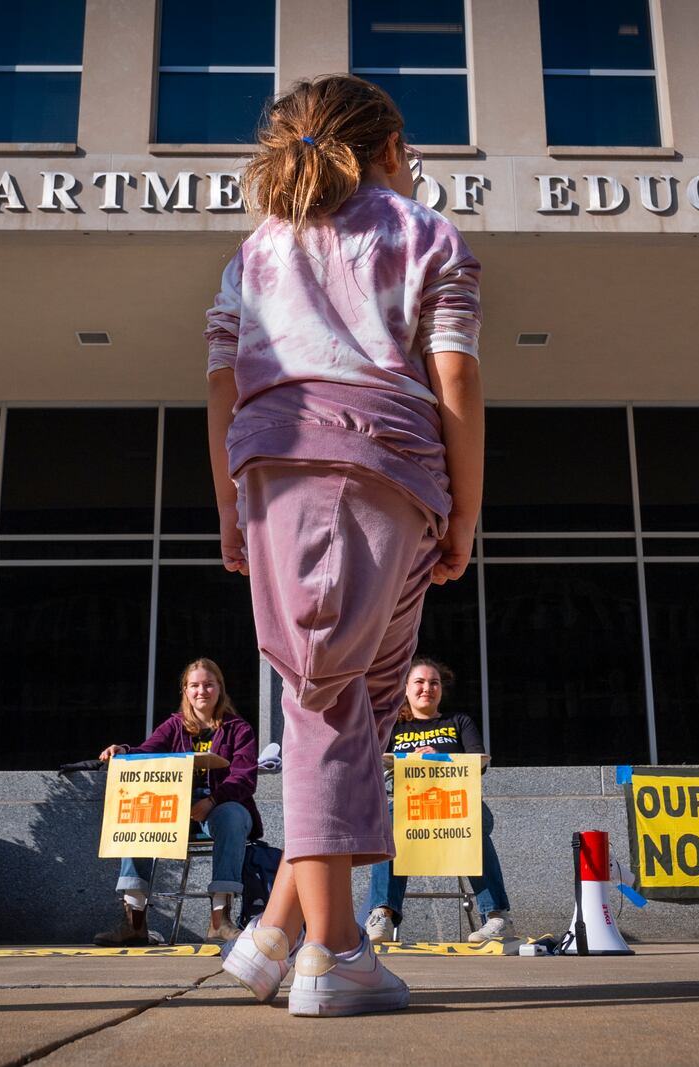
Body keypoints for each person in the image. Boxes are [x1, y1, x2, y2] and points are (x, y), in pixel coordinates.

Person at [207, 74, 484, 1017]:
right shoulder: (425, 232)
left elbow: (220, 385)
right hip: (392, 476)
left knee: (336, 693)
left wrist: (228, 506)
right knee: (342, 693)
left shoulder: (255, 252)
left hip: (281, 466)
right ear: (391, 148)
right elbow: (458, 382)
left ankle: (280, 937)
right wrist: (466, 511)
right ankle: (328, 947)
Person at [92, 658, 261, 946]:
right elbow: (148, 753)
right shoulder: (174, 726)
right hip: (176, 810)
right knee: (136, 814)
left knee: (232, 817)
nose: (202, 691)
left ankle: (220, 920)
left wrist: (212, 800)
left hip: (221, 808)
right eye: (194, 685)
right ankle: (134, 922)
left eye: (209, 684)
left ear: (220, 688)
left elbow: (244, 779)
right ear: (185, 690)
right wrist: (124, 750)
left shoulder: (238, 729)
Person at [365, 656, 512, 944]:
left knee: (473, 822)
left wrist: (441, 758)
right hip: (408, 808)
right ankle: (382, 913)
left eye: (434, 683)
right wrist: (410, 759)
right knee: (388, 823)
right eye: (419, 682)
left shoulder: (459, 722)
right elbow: (373, 763)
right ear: (405, 689)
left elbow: (478, 762)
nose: (427, 688)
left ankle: (497, 917)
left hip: (456, 805)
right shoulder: (393, 727)